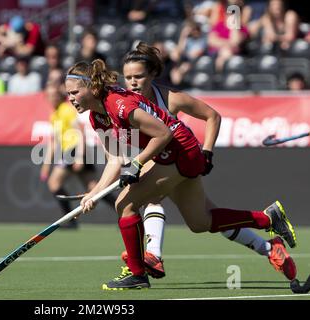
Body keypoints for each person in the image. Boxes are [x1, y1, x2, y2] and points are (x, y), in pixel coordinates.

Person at [64, 59, 297, 290]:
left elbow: (163, 134)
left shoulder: (118, 104)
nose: (71, 98)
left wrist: (137, 163)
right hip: (169, 153)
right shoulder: (98, 117)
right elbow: (114, 159)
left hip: (180, 150)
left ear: (93, 88)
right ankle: (268, 218)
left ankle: (137, 274)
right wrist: (93, 194)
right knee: (200, 221)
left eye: (75, 92)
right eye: (68, 93)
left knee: (125, 204)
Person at [119, 41, 297, 281]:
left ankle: (152, 255)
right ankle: (268, 238)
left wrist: (208, 151)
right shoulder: (125, 103)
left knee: (148, 197)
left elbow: (212, 116)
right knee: (202, 221)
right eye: (128, 77)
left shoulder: (172, 99)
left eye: (138, 76)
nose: (132, 82)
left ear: (152, 74)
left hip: (181, 158)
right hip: (160, 160)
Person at [40, 83, 116, 229]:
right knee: (96, 188)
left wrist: (80, 156)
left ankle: (70, 221)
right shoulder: (54, 115)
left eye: (54, 95)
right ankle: (124, 212)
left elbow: (80, 132)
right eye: (49, 96)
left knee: (54, 183)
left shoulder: (66, 110)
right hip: (70, 151)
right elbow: (53, 141)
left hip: (74, 150)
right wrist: (45, 166)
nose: (52, 98)